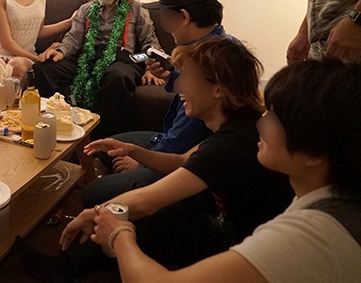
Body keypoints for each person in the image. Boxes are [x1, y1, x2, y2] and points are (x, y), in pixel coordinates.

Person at [23, 39, 293, 281]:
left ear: (218, 90)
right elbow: (182, 161)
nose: (178, 85)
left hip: (246, 256)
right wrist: (132, 149)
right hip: (235, 234)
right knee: (150, 208)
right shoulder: (237, 125)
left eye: (188, 77)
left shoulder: (233, 142)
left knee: (152, 207)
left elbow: (147, 201)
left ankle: (78, 267)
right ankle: (77, 266)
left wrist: (93, 213)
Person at [91, 58, 361, 282]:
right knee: (166, 216)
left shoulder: (312, 235)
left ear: (315, 153)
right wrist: (133, 151)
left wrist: (119, 234)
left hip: (237, 240)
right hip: (228, 229)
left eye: (275, 118)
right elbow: (184, 161)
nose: (262, 124)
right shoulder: (327, 196)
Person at [80, 0, 231, 207]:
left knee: (92, 193)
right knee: (104, 147)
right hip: (171, 142)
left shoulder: (208, 61)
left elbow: (183, 141)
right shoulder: (213, 44)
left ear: (183, 17)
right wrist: (170, 76)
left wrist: (140, 163)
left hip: (184, 165)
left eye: (164, 16)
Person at [34, 0, 163, 139]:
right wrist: (61, 51)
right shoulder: (86, 9)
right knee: (44, 68)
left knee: (117, 77)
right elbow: (74, 37)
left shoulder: (137, 9)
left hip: (123, 58)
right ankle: (55, 124)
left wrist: (151, 68)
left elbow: (150, 42)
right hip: (86, 56)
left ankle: (104, 138)